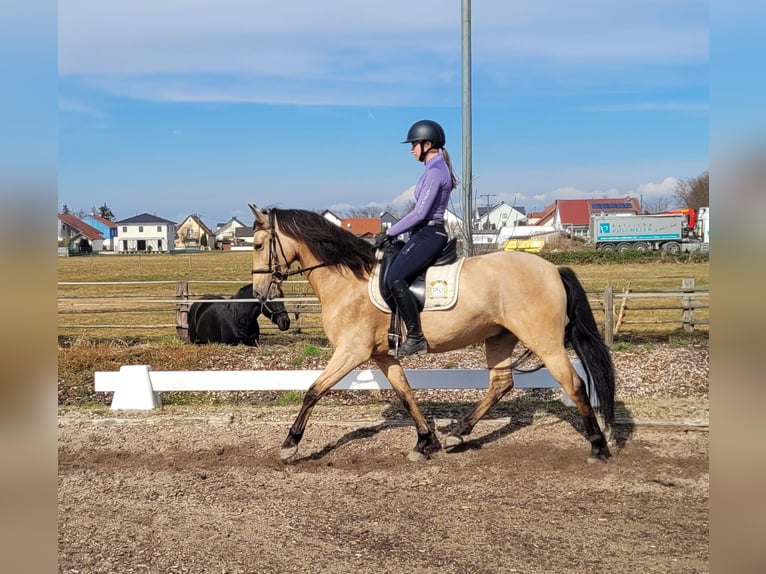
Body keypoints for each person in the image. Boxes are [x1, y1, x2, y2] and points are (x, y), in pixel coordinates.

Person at [381, 119, 458, 357]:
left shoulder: (435, 172)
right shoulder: (432, 170)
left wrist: (390, 232)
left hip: (430, 233)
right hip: (422, 233)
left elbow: (420, 213)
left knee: (395, 276)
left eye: (414, 144)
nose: (411, 149)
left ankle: (415, 336)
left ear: (427, 144)